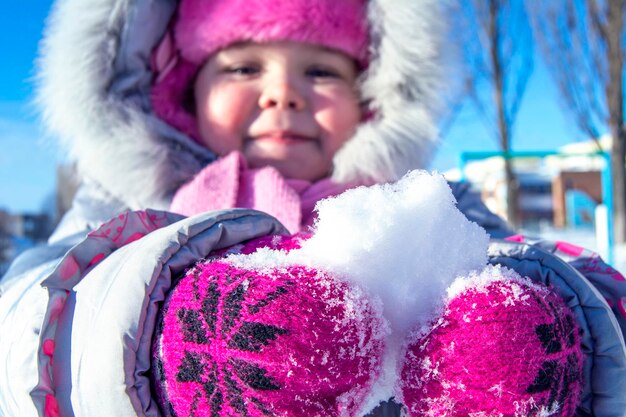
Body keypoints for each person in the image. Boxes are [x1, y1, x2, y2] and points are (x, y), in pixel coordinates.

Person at [0, 0, 624, 416]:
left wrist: (549, 326)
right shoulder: (125, 209)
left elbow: (540, 265)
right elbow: (26, 325)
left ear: (371, 101)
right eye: (243, 66)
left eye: (321, 72)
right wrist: (164, 335)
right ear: (183, 94)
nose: (283, 94)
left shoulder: (428, 207)